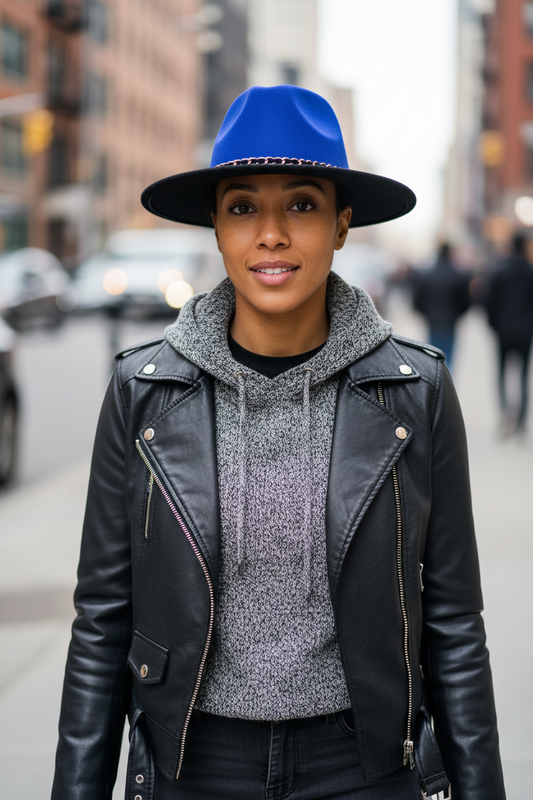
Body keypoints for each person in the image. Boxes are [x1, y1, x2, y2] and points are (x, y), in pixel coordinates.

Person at [51, 86, 506, 800]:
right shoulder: (142, 390)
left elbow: (451, 621)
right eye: (241, 207)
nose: (270, 233)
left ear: (341, 225)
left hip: (364, 766)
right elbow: (102, 620)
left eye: (300, 204)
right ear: (217, 228)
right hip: (193, 764)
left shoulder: (414, 390)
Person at [486, 232, 533, 434]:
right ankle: (521, 421)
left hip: (503, 330)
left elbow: (490, 301)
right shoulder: (530, 270)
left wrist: (494, 325)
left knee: (501, 373)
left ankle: (505, 415)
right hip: (525, 330)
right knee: (523, 375)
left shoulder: (500, 269)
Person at [412, 242, 471, 369]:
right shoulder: (458, 276)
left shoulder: (427, 275)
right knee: (448, 361)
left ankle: (437, 387)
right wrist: (456, 315)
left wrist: (428, 315)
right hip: (450, 324)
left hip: (433, 323)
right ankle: (448, 387)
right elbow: (466, 303)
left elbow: (417, 303)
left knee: (433, 360)